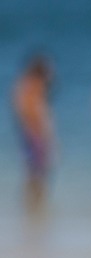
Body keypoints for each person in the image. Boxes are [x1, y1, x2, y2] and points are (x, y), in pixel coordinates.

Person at [12, 55, 55, 211]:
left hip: (29, 132)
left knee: (34, 170)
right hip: (35, 133)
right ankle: (34, 206)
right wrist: (39, 131)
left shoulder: (24, 85)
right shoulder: (32, 86)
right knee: (37, 171)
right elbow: (31, 112)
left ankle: (32, 208)